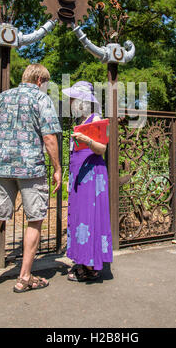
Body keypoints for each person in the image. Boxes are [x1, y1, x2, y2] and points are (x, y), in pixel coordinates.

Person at [0, 64, 62, 293]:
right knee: (34, 219)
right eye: (46, 83)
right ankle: (24, 277)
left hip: (2, 168)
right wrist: (57, 167)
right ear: (39, 80)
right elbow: (49, 137)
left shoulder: (4, 97)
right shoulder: (41, 100)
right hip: (31, 170)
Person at [62, 81, 113, 281]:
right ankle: (82, 260)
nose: (71, 102)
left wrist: (87, 141)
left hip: (92, 175)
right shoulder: (80, 122)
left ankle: (91, 266)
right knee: (79, 217)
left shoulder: (97, 119)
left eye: (74, 99)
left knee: (90, 217)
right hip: (79, 175)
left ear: (83, 101)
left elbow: (102, 149)